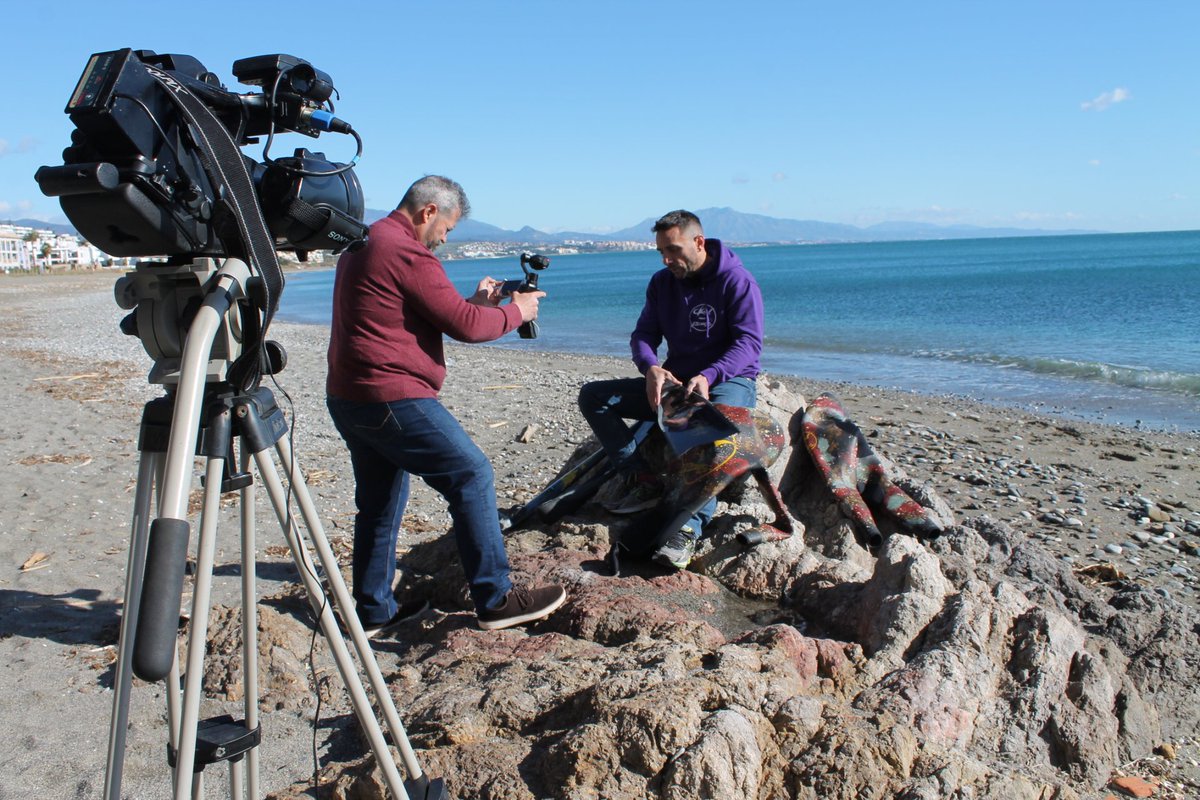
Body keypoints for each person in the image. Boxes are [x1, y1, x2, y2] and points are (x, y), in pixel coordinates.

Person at [326, 175, 566, 635]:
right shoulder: (404, 249)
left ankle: (374, 611)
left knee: (379, 505)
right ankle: (496, 600)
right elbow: (468, 328)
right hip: (391, 396)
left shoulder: (368, 241)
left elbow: (419, 315)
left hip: (350, 396)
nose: (443, 239)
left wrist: (478, 303)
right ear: (429, 211)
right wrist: (517, 312)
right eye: (447, 229)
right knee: (471, 474)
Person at [577, 209, 764, 570]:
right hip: (676, 383)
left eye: (673, 250)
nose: (666, 259)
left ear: (699, 242)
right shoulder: (662, 283)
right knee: (594, 396)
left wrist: (710, 375)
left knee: (709, 428)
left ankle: (689, 527)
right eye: (661, 251)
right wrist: (650, 368)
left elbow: (749, 344)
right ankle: (641, 479)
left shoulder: (737, 281)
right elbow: (644, 334)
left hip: (730, 381)